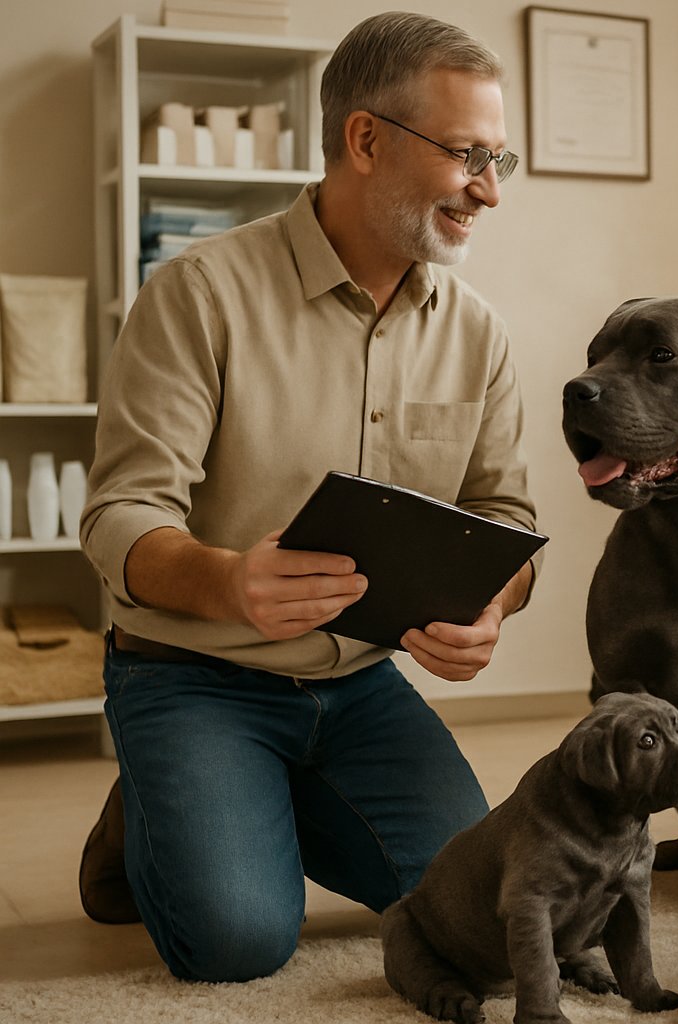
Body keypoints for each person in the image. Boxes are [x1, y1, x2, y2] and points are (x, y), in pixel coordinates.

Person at [76, 12, 537, 983]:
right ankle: (149, 806)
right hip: (191, 673)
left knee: (493, 913)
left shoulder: (480, 332)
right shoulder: (198, 290)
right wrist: (230, 581)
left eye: (501, 157)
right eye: (467, 155)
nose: (490, 190)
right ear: (365, 140)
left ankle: (245, 796)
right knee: (238, 941)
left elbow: (508, 522)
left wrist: (491, 603)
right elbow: (119, 514)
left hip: (362, 684)